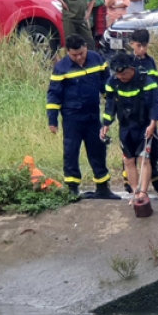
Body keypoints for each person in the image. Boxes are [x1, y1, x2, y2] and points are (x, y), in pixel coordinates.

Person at [46, 35, 118, 199]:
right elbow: (54, 95)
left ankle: (102, 187)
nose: (79, 57)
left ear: (86, 47)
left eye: (82, 53)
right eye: (74, 55)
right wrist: (52, 120)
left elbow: (107, 86)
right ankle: (72, 189)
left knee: (98, 149)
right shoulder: (61, 68)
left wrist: (112, 108)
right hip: (72, 117)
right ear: (67, 52)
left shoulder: (97, 59)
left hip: (93, 115)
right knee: (71, 152)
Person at [101, 53, 158, 204]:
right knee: (128, 160)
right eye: (118, 74)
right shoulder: (113, 82)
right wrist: (106, 124)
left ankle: (143, 192)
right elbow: (110, 106)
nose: (120, 76)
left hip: (143, 126)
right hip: (126, 127)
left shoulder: (146, 81)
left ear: (132, 68)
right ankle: (135, 191)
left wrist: (153, 124)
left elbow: (154, 105)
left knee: (144, 159)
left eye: (123, 73)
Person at [129, 28, 158, 195]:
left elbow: (157, 88)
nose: (142, 50)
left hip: (149, 114)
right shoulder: (127, 62)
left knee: (153, 152)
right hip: (132, 116)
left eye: (145, 46)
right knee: (132, 154)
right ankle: (132, 187)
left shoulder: (150, 62)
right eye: (139, 46)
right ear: (132, 44)